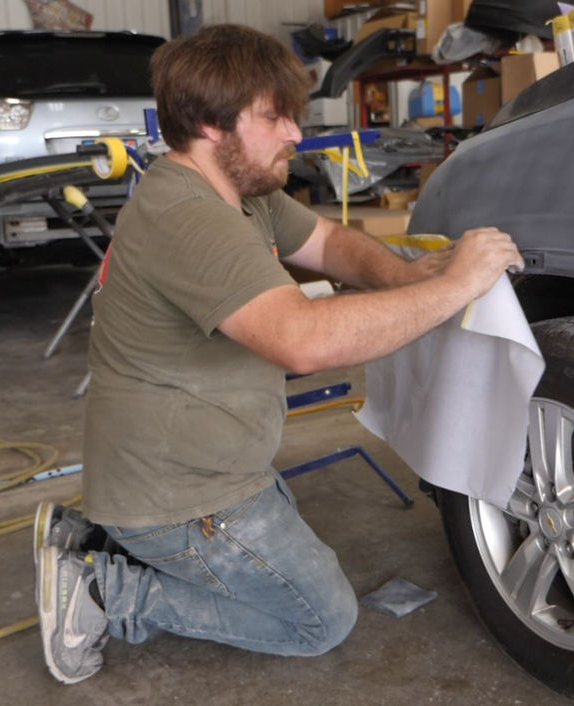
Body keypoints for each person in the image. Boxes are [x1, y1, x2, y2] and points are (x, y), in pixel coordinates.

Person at [33, 23, 523, 684]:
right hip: (178, 494)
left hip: (204, 466)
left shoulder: (242, 193)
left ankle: (95, 539)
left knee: (286, 550)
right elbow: (303, 340)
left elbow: (330, 244)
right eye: (275, 117)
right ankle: (101, 592)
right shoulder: (187, 216)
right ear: (211, 124)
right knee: (320, 619)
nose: (296, 132)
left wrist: (407, 278)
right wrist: (457, 286)